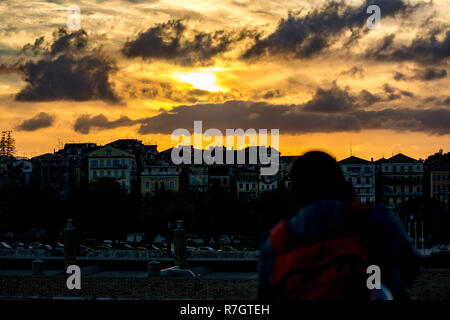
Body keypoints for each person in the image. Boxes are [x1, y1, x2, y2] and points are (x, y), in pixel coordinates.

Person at [258, 151, 419, 300]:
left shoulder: (277, 241)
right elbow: (410, 268)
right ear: (341, 183)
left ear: (295, 193)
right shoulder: (371, 219)